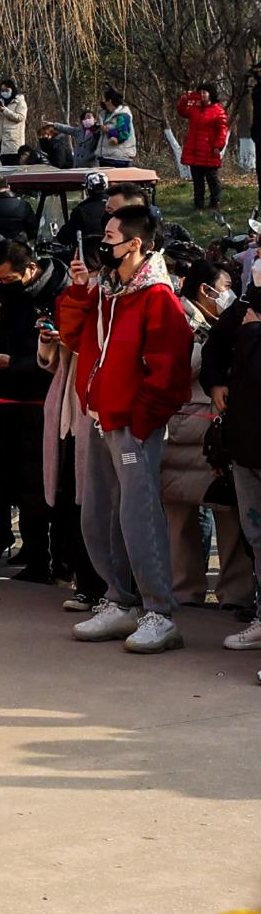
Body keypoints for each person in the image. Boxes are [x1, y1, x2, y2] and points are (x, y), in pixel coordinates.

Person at [55, 204, 193, 653]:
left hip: (132, 425)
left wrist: (141, 420)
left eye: (111, 237)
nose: (103, 243)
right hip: (99, 418)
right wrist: (78, 291)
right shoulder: (107, 292)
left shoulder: (158, 297)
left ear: (135, 244)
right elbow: (75, 338)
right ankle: (119, 600)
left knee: (139, 517)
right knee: (97, 514)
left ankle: (159, 611)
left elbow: (169, 369)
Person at [163, 257, 243, 610]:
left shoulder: (224, 322)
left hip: (209, 430)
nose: (229, 295)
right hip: (185, 427)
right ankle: (188, 590)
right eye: (225, 288)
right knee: (182, 518)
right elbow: (174, 366)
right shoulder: (177, 320)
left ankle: (230, 592)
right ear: (205, 289)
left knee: (227, 514)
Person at [0, 243, 58, 584]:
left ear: (31, 269)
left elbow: (55, 356)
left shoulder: (57, 294)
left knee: (41, 484)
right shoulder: (8, 294)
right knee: (17, 480)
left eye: (10, 277)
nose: (3, 284)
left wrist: (17, 363)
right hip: (9, 397)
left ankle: (50, 558)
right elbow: (1, 334)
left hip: (41, 401)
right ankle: (32, 549)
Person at [201, 269, 261, 654]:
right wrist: (216, 382)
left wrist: (254, 335)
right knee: (255, 536)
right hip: (245, 444)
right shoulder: (245, 306)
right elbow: (216, 347)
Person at [177, 85, 230, 212]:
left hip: (209, 151)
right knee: (197, 181)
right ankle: (198, 205)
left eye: (204, 92)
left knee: (212, 179)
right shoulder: (195, 109)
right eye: (199, 92)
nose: (201, 95)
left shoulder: (218, 111)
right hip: (194, 151)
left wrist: (218, 146)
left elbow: (222, 130)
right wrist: (186, 98)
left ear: (211, 94)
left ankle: (214, 203)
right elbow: (181, 111)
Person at [96, 87, 137, 167]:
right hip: (105, 157)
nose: (103, 103)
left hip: (119, 159)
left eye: (105, 100)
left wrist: (108, 131)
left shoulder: (123, 115)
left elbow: (124, 134)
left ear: (110, 101)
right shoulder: (105, 114)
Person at [0, 80, 28, 161]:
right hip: (1, 143)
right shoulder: (0, 101)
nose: (4, 92)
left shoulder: (20, 102)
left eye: (7, 90)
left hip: (14, 144)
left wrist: (5, 110)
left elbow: (20, 118)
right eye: (2, 90)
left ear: (12, 89)